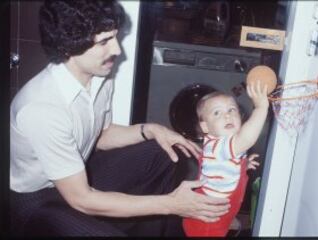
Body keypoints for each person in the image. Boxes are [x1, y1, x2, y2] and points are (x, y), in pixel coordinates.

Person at [9, 0, 230, 237]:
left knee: (163, 151)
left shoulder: (98, 77)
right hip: (36, 200)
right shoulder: (41, 107)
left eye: (114, 37)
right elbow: (82, 199)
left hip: (76, 173)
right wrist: (171, 204)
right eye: (104, 41)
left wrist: (150, 129)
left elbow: (101, 135)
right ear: (68, 46)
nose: (116, 50)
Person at [183, 83, 268, 237]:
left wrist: (242, 165)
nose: (227, 115)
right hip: (208, 226)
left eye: (232, 110)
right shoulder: (222, 146)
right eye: (217, 113)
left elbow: (222, 167)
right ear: (205, 127)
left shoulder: (218, 143)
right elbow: (247, 138)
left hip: (209, 216)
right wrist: (261, 108)